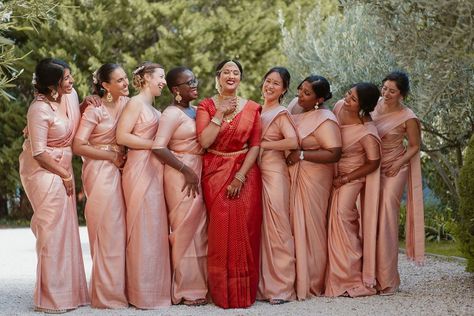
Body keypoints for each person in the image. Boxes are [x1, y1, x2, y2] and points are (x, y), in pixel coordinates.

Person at [19, 58, 89, 313]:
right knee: (51, 229)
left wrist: (86, 105)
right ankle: (50, 298)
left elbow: (71, 123)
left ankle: (69, 292)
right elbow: (38, 152)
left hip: (62, 166)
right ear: (53, 84)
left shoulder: (69, 98)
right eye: (66, 78)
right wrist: (65, 175)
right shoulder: (38, 109)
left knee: (65, 229)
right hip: (43, 169)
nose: (71, 82)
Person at [196, 59, 262, 309]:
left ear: (241, 78)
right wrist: (220, 113)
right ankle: (223, 294)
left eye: (236, 72)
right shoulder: (206, 106)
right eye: (226, 72)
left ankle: (244, 294)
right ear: (218, 77)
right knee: (220, 232)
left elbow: (255, 145)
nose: (231, 75)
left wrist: (240, 176)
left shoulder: (253, 108)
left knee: (247, 230)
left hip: (245, 174)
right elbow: (204, 142)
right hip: (215, 172)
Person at [72, 63, 128, 308]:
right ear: (105, 86)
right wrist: (111, 157)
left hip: (125, 171)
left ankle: (121, 289)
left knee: (123, 231)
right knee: (107, 229)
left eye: (126, 78)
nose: (125, 83)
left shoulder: (129, 105)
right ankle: (107, 296)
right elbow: (78, 145)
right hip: (100, 170)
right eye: (120, 80)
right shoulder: (94, 110)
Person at [116, 62, 171, 308]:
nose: (164, 82)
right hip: (139, 167)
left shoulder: (155, 109)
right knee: (141, 227)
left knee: (156, 227)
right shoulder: (135, 104)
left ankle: (157, 291)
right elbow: (122, 136)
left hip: (155, 169)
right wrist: (153, 146)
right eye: (160, 77)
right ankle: (141, 294)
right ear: (147, 78)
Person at [152, 67, 208, 306]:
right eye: (188, 82)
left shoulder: (197, 111)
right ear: (176, 90)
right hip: (180, 173)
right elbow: (158, 147)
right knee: (185, 229)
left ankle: (202, 285)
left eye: (195, 79)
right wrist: (186, 171)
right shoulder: (171, 114)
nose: (194, 84)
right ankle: (186, 289)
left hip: (200, 169)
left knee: (201, 230)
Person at [286, 75, 342, 300]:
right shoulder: (294, 108)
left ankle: (313, 281)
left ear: (319, 99)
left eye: (307, 93)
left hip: (314, 177)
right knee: (292, 226)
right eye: (300, 89)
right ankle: (293, 278)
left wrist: (301, 154)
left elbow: (334, 153)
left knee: (312, 227)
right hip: (293, 175)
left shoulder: (326, 119)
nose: (300, 95)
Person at [325, 83, 381, 297]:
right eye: (348, 93)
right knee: (330, 220)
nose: (347, 99)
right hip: (333, 171)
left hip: (352, 177)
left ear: (364, 106)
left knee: (342, 219)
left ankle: (351, 278)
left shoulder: (367, 131)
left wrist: (346, 177)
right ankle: (333, 276)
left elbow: (373, 163)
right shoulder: (339, 107)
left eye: (353, 99)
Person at [372, 71, 424, 295]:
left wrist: (398, 163)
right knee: (369, 216)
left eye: (392, 91)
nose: (386, 93)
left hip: (396, 167)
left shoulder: (408, 116)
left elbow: (414, 146)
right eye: (384, 88)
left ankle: (388, 280)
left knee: (386, 217)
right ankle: (368, 276)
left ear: (402, 94)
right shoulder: (375, 104)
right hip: (373, 167)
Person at [257, 67, 298, 304]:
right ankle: (263, 286)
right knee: (261, 228)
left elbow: (293, 141)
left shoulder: (281, 113)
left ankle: (282, 288)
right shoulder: (257, 109)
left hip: (274, 173)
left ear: (283, 90)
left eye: (276, 84)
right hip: (255, 173)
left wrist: (264, 145)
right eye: (268, 81)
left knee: (278, 227)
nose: (270, 86)